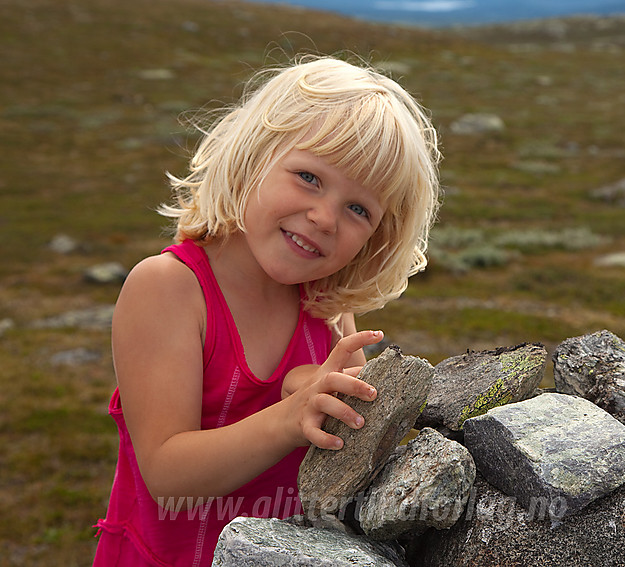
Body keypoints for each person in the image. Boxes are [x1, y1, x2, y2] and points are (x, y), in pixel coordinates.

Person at [93, 55, 441, 567]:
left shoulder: (328, 307)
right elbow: (167, 472)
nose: (324, 218)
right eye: (309, 177)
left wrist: (307, 387)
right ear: (254, 155)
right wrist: (288, 417)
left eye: (358, 209)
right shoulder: (169, 288)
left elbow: (327, 432)